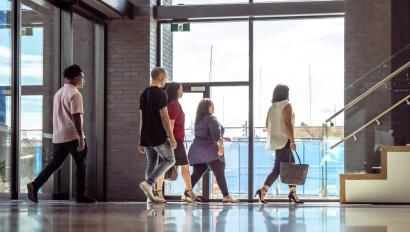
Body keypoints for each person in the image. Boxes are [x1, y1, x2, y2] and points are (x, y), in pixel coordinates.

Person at [27, 64, 95, 203]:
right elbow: (76, 117)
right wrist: (81, 138)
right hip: (72, 135)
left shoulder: (59, 93)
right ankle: (81, 196)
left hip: (59, 136)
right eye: (82, 77)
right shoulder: (75, 93)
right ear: (76, 78)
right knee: (81, 164)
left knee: (55, 164)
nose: (83, 80)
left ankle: (35, 184)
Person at [255, 84, 303, 204]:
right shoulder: (286, 105)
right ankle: (266, 191)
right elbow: (287, 124)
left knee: (289, 166)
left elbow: (267, 125)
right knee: (282, 168)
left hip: (275, 141)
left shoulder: (272, 108)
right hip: (284, 140)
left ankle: (289, 193)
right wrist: (292, 140)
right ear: (285, 93)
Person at [188, 98, 238, 203]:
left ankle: (186, 193)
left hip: (196, 151)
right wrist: (220, 147)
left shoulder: (198, 120)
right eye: (212, 105)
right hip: (208, 151)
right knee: (219, 170)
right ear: (207, 107)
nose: (214, 107)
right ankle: (226, 196)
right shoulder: (212, 118)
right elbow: (216, 135)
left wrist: (223, 138)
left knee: (197, 173)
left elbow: (205, 134)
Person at [154, 82, 197, 203]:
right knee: (181, 166)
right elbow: (170, 125)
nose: (182, 91)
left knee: (171, 166)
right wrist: (171, 141)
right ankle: (160, 194)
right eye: (181, 89)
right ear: (176, 91)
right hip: (174, 140)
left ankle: (186, 192)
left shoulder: (171, 104)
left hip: (175, 140)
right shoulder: (174, 105)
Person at [138, 67, 176, 203]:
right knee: (171, 160)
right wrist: (172, 138)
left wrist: (141, 140)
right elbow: (165, 117)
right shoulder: (160, 93)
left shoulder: (143, 94)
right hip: (158, 135)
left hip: (147, 136)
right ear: (160, 76)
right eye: (164, 77)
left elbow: (142, 119)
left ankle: (150, 196)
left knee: (152, 162)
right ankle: (149, 183)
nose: (165, 80)